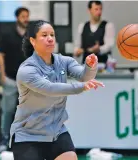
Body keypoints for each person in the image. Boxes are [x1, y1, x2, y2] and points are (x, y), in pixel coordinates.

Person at [9, 20, 104, 160]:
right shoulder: (27, 70)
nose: (50, 38)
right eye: (44, 35)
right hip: (28, 135)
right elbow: (50, 88)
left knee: (70, 157)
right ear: (33, 41)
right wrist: (81, 87)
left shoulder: (63, 61)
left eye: (52, 35)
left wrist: (90, 66)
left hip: (56, 131)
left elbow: (84, 76)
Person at [0, 7, 30, 152]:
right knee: (8, 111)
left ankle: (24, 141)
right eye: (23, 16)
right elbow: (0, 55)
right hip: (10, 78)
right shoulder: (7, 34)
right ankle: (4, 140)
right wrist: (2, 75)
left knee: (27, 111)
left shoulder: (31, 36)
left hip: (27, 80)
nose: (26, 19)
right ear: (17, 18)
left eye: (27, 16)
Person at [74, 0, 115, 66]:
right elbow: (77, 46)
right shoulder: (82, 26)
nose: (99, 12)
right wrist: (77, 51)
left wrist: (99, 49)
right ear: (89, 10)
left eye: (100, 9)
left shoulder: (108, 26)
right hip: (86, 66)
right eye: (96, 9)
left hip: (103, 66)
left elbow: (109, 45)